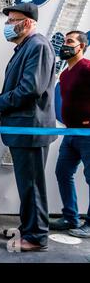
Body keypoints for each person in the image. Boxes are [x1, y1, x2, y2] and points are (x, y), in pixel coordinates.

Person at [0, 3, 57, 252]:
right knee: (27, 184)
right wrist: (0, 96)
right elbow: (23, 85)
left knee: (32, 185)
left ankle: (37, 237)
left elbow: (30, 89)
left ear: (27, 23)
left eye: (11, 20)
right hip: (23, 129)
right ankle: (29, 227)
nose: (7, 26)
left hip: (30, 129)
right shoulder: (25, 48)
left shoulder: (37, 46)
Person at [50, 31, 90, 238]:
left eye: (70, 42)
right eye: (64, 41)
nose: (64, 45)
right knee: (63, 172)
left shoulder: (87, 68)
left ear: (81, 46)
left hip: (88, 134)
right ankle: (70, 217)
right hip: (71, 133)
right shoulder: (65, 74)